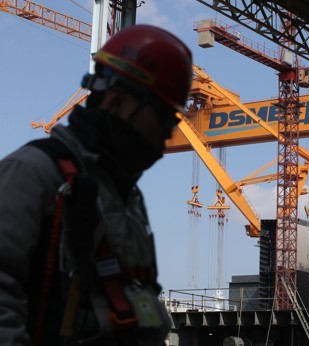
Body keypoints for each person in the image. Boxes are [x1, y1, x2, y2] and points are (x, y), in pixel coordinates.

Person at [0, 24, 192, 345]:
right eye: (163, 119)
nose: (169, 135)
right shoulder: (35, 174)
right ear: (116, 101)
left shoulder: (127, 199)